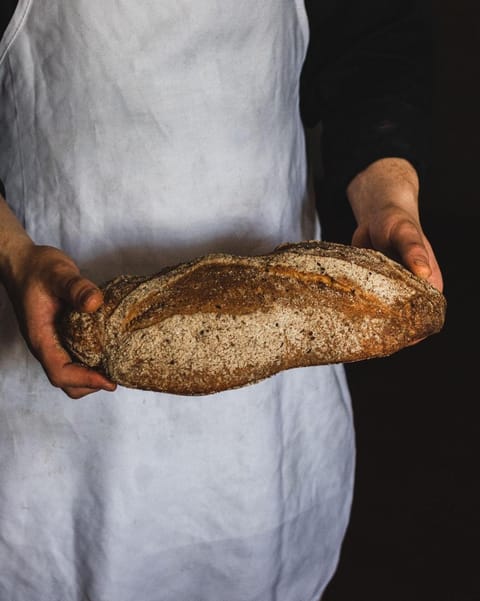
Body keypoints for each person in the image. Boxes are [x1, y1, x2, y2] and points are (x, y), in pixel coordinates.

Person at [0, 1, 443, 600]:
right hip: (53, 365)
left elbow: (377, 35)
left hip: (274, 397)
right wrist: (12, 255)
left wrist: (387, 198)